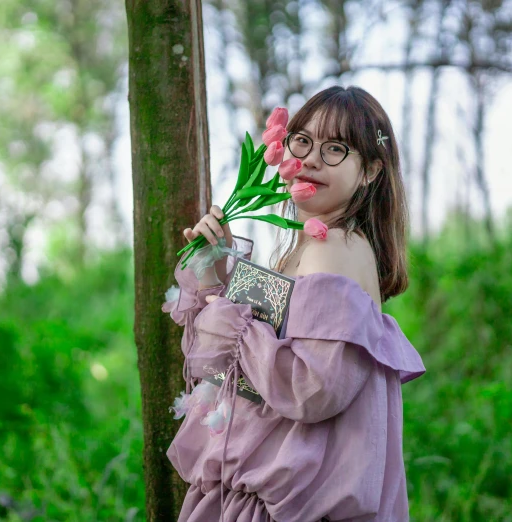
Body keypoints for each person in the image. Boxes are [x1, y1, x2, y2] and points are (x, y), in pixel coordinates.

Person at [162, 85, 426, 521]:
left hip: (291, 502)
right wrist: (216, 271)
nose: (310, 159)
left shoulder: (334, 246)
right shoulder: (305, 249)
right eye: (302, 140)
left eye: (336, 148)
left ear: (371, 172)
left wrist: (225, 315)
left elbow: (310, 389)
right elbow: (238, 374)